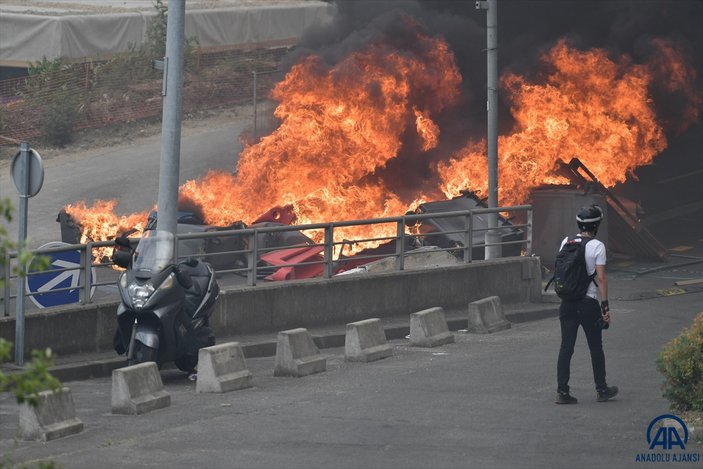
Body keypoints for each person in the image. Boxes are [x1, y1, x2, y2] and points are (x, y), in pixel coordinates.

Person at [555, 205, 618, 404]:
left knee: (566, 347)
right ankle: (601, 389)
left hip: (567, 303)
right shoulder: (597, 246)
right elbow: (601, 278)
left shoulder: (567, 241)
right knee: (595, 347)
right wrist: (605, 306)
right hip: (588, 304)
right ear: (596, 225)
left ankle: (562, 392)